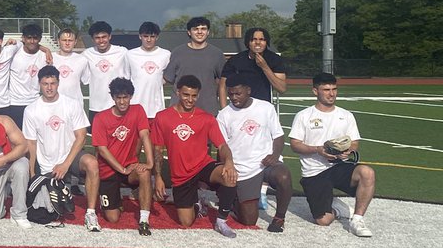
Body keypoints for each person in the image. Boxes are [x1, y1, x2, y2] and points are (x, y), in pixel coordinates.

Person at [289, 72, 376, 237]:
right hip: (314, 172)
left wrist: (348, 151)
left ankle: (357, 220)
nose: (331, 93)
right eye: (326, 89)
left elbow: (355, 142)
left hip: (338, 167)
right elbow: (295, 145)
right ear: (315, 91)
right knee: (323, 220)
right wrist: (317, 150)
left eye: (334, 89)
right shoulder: (304, 116)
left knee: (367, 172)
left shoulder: (346, 115)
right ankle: (338, 209)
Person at [152, 75, 239, 237]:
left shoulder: (206, 118)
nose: (190, 99)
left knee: (229, 176)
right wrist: (158, 177)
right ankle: (198, 205)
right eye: (186, 95)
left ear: (198, 95)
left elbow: (222, 146)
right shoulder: (162, 117)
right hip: (180, 175)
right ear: (178, 92)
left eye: (193, 96)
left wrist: (229, 162)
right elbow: (158, 150)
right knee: (186, 222)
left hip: (202, 166)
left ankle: (221, 221)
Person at [21, 65, 98, 230]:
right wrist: (34, 174)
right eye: (45, 84)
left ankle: (91, 213)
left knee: (92, 163)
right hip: (47, 163)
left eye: (53, 83)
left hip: (70, 157)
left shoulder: (72, 104)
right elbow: (31, 143)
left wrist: (65, 164)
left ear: (58, 83)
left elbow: (81, 136)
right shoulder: (31, 110)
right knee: (48, 212)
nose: (49, 87)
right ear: (39, 84)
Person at [218, 76, 293, 232]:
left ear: (248, 91)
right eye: (230, 94)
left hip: (266, 164)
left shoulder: (266, 108)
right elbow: (222, 147)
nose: (234, 98)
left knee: (283, 175)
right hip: (242, 168)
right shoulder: (224, 114)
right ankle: (236, 201)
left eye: (238, 94)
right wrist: (228, 166)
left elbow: (278, 135)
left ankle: (279, 218)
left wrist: (274, 155)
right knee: (249, 221)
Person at [90, 78, 155, 235]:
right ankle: (115, 200)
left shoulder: (138, 110)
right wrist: (121, 169)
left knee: (145, 173)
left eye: (125, 97)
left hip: (130, 166)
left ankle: (144, 220)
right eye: (118, 97)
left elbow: (145, 135)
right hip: (109, 170)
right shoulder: (101, 118)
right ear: (112, 97)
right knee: (112, 218)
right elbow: (102, 150)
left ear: (131, 96)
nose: (122, 101)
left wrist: (150, 163)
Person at [165, 17, 222, 114]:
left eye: (203, 29)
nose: (200, 32)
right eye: (196, 29)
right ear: (189, 32)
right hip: (180, 111)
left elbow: (222, 82)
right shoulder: (178, 52)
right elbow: (169, 79)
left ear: (208, 32)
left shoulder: (217, 54)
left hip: (207, 110)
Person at [219, 27, 287, 107]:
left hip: (263, 108)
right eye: (254, 39)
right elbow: (222, 86)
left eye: (262, 39)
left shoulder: (274, 59)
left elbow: (282, 89)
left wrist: (264, 67)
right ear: (248, 42)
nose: (258, 42)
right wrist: (224, 109)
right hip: (239, 108)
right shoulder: (235, 60)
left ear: (266, 42)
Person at [8, 23, 53, 128]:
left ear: (40, 39)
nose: (32, 41)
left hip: (35, 102)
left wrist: (46, 49)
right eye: (29, 38)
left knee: (35, 138)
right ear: (23, 38)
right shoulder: (14, 52)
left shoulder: (45, 56)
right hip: (15, 103)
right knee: (17, 139)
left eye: (35, 38)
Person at [127, 21, 170, 119]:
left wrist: (158, 82)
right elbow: (126, 77)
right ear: (140, 36)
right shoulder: (130, 55)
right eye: (145, 36)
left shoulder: (166, 55)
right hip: (135, 107)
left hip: (157, 109)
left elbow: (169, 77)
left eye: (152, 36)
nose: (149, 40)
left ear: (157, 37)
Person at [85, 21, 129, 116]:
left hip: (116, 106)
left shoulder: (122, 52)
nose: (101, 41)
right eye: (97, 38)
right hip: (95, 107)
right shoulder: (86, 54)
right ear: (93, 39)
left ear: (109, 36)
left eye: (104, 37)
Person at [51, 27, 90, 107]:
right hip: (55, 104)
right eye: (64, 40)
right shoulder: (50, 59)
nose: (67, 43)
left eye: (70, 40)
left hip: (75, 105)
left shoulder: (82, 60)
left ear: (75, 42)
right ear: (58, 41)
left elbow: (86, 80)